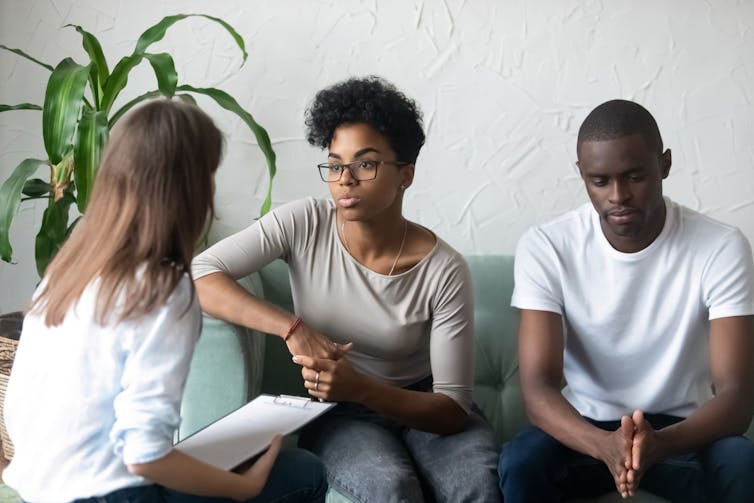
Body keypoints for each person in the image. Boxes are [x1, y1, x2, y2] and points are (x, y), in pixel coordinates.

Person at [192, 76, 501, 502]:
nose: (345, 179)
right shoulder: (303, 223)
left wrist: (360, 386)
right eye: (335, 164)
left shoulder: (444, 269)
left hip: (424, 406)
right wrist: (292, 327)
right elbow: (201, 273)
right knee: (389, 487)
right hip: (341, 415)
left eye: (365, 163)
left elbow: (451, 410)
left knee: (477, 487)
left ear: (405, 175)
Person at [2, 99, 327, 503]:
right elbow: (145, 456)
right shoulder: (164, 289)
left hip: (41, 490)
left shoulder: (68, 271)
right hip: (107, 495)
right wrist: (243, 487)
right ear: (189, 188)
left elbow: (19, 411)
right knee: (303, 472)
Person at [498, 99, 754, 502]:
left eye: (634, 177)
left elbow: (737, 397)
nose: (618, 195)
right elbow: (538, 390)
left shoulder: (721, 247)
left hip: (684, 430)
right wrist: (605, 446)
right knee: (520, 462)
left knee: (741, 461)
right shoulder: (547, 246)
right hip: (585, 431)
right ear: (581, 175)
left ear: (664, 165)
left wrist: (660, 445)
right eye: (600, 181)